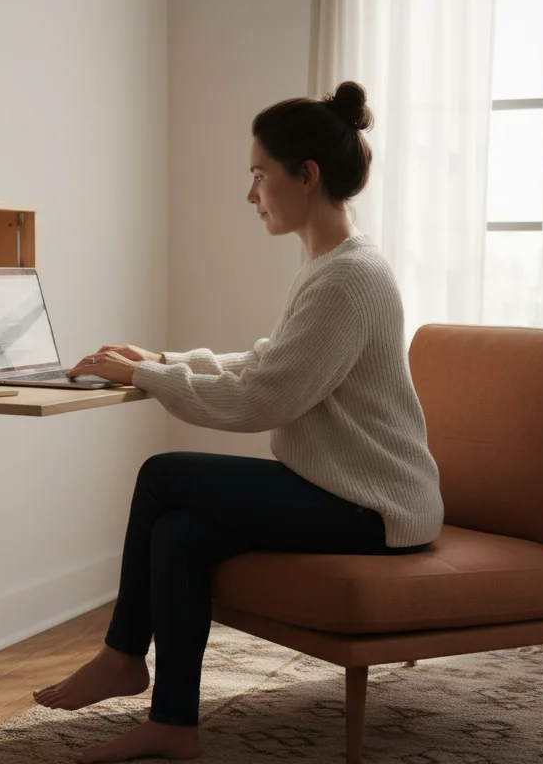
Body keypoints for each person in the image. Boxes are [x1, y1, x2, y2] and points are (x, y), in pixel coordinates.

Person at [32, 80, 445, 764]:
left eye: (259, 174)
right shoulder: (333, 266)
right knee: (181, 534)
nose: (250, 193)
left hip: (375, 506)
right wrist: (163, 358)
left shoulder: (348, 279)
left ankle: (121, 656)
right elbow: (269, 362)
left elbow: (263, 400)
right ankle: (174, 724)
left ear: (304, 176)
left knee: (164, 475)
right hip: (346, 491)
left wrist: (146, 377)